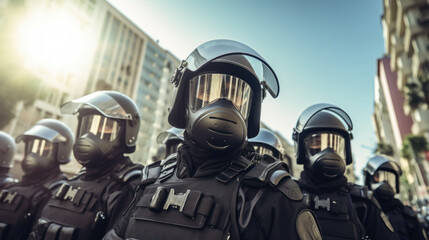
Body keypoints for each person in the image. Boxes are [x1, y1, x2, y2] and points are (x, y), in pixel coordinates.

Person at [104, 39, 322, 240]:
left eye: (236, 95)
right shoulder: (151, 179)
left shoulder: (271, 195)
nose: (223, 105)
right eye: (208, 91)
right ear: (184, 101)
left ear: (250, 111)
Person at [28, 91, 143, 240]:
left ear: (127, 133)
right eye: (89, 126)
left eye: (106, 127)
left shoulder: (126, 187)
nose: (90, 136)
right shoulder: (70, 184)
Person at [293, 103, 399, 240]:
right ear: (302, 150)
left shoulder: (363, 201)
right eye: (317, 142)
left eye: (334, 144)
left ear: (346, 152)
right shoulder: (288, 195)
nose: (328, 151)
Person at [0, 119, 73, 240]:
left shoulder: (58, 191)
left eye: (44, 147)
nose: (33, 153)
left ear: (60, 151)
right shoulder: (12, 187)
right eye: (31, 145)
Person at [363, 154, 428, 240]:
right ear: (369, 180)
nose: (385, 183)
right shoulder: (364, 212)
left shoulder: (406, 213)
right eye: (378, 177)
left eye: (390, 177)